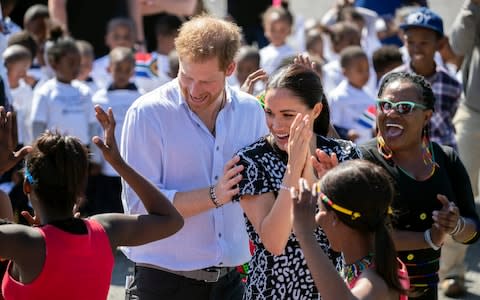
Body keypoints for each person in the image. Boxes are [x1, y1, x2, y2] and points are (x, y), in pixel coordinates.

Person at [121, 15, 268, 300]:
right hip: (163, 282)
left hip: (231, 282)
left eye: (207, 81)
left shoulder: (251, 111)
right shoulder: (147, 114)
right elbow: (139, 208)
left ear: (230, 69)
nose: (194, 90)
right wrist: (214, 195)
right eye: (185, 76)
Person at [0, 105, 183, 300]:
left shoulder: (22, 241)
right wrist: (118, 163)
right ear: (80, 189)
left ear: (27, 186)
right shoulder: (106, 230)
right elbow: (171, 220)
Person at [234, 63, 360, 299]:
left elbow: (343, 241)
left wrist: (330, 190)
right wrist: (293, 169)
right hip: (272, 292)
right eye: (269, 112)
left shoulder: (345, 155)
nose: (276, 125)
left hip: (331, 289)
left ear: (315, 110)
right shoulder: (251, 160)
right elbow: (275, 242)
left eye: (288, 115)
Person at [360, 71, 480, 299]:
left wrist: (455, 225)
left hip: (426, 290)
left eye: (404, 107)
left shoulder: (445, 159)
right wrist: (428, 238)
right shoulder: (364, 159)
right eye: (385, 105)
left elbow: (472, 231)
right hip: (376, 290)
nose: (391, 112)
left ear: (427, 117)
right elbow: (362, 236)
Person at [292, 160, 409, 299]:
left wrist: (305, 235)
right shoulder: (379, 264)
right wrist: (337, 182)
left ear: (335, 218)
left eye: (320, 210)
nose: (317, 218)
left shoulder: (374, 283)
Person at [441, 0, 480, 296]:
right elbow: (456, 44)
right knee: (459, 192)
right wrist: (472, 6)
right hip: (473, 111)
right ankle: (451, 273)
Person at [393, 7, 462, 149]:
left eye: (424, 42)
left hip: (443, 159)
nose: (416, 48)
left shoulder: (452, 85)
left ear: (440, 44)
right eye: (410, 42)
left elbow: (456, 122)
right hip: (403, 155)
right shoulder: (392, 82)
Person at [88, 46, 141, 215]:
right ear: (109, 68)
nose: (122, 74)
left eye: (127, 69)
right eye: (118, 68)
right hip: (106, 169)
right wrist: (95, 160)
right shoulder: (98, 98)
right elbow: (94, 130)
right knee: (107, 213)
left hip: (133, 167)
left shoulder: (142, 97)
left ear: (133, 70)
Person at [30, 37, 96, 147]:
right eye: (71, 63)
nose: (76, 67)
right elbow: (37, 126)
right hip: (54, 152)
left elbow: (93, 126)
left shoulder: (85, 92)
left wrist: (95, 160)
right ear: (54, 64)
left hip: (82, 153)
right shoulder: (45, 92)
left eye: (78, 63)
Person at [328, 46, 375, 144]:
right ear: (345, 73)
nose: (366, 74)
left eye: (367, 69)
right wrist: (346, 134)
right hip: (347, 149)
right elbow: (332, 126)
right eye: (360, 70)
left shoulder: (370, 95)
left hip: (367, 147)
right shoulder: (338, 96)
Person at [92, 17, 136, 89]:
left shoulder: (144, 66)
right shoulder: (94, 67)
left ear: (134, 39)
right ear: (107, 39)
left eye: (127, 37)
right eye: (116, 36)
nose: (122, 41)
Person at [3, 45, 33, 146]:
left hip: (20, 142)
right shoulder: (2, 90)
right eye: (20, 71)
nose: (23, 74)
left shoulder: (26, 90)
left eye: (26, 70)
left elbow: (29, 119)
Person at [259, 5, 296, 75]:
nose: (277, 34)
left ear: (289, 30)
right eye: (272, 29)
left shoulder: (293, 54)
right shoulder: (261, 54)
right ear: (265, 29)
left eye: (282, 30)